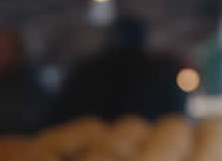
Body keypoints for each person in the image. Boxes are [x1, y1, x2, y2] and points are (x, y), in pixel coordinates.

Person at [49, 15, 185, 124]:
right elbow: (176, 114)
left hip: (94, 143)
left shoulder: (90, 70)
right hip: (149, 138)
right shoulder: (160, 70)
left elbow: (61, 112)